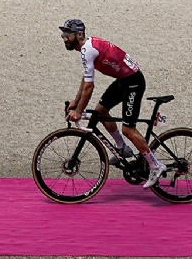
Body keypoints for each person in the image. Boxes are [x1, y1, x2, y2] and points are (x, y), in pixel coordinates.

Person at [59, 19, 165, 189]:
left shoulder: (87, 50)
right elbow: (86, 79)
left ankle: (156, 166)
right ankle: (122, 147)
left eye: (67, 35)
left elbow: (89, 86)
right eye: (63, 35)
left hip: (133, 82)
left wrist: (79, 111)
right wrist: (76, 101)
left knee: (128, 129)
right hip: (124, 80)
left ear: (79, 35)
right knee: (100, 112)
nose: (64, 38)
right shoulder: (86, 49)